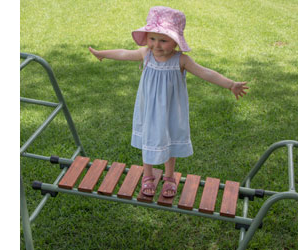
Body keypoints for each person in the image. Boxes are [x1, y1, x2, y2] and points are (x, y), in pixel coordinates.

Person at [89, 6, 248, 198]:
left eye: (163, 40)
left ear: (176, 42)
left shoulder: (181, 60)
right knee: (148, 137)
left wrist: (230, 84)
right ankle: (147, 176)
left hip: (172, 110)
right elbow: (123, 53)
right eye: (152, 38)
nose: (156, 45)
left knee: (169, 138)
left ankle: (170, 176)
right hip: (149, 109)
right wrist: (102, 53)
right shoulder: (145, 54)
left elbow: (205, 72)